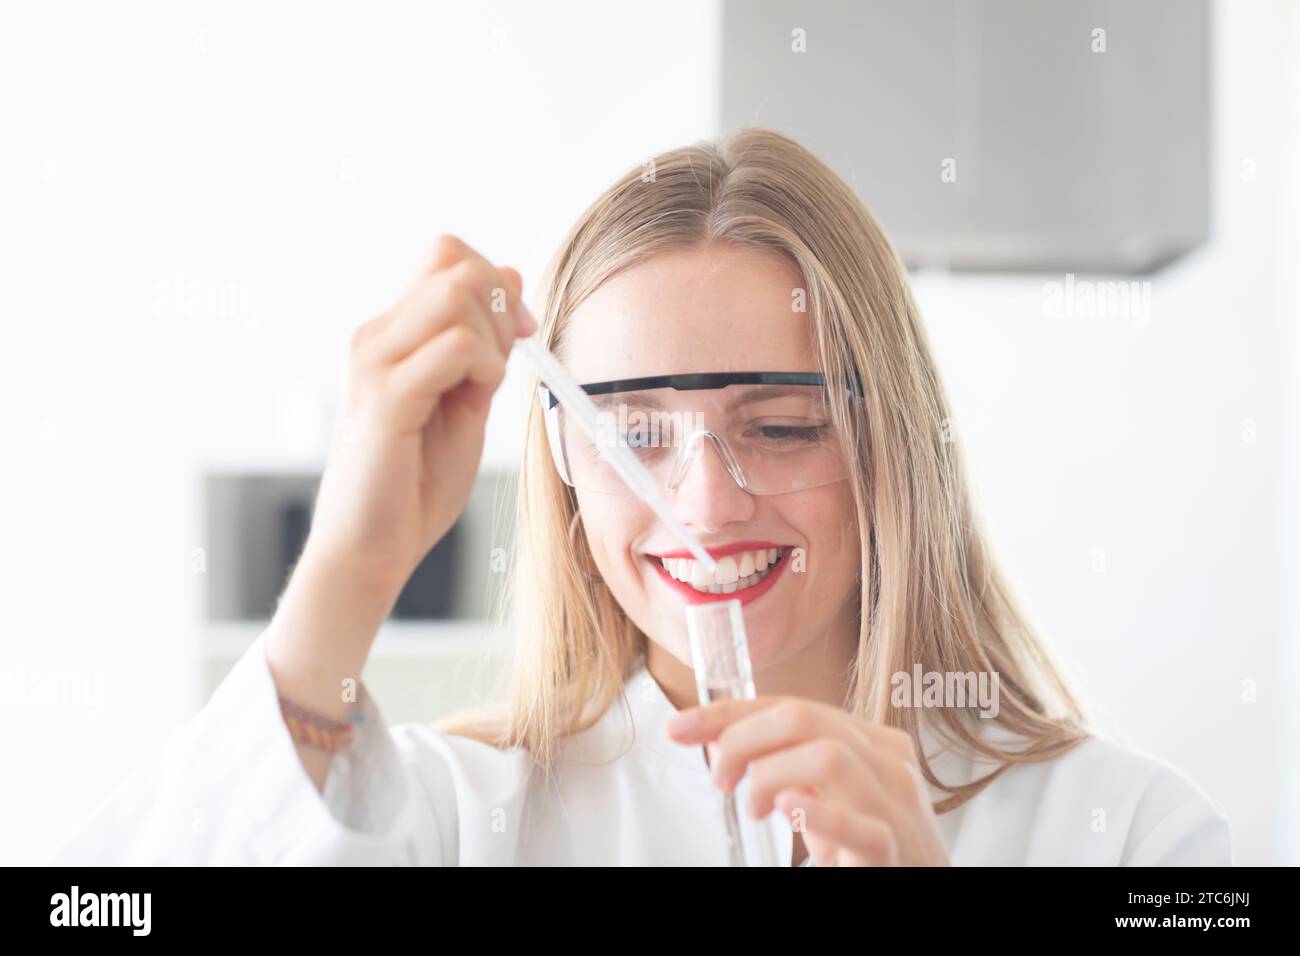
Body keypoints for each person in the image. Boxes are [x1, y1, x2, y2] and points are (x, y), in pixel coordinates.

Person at [49, 128, 1230, 866]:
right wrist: (347, 573)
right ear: (559, 456)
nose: (704, 503)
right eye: (631, 436)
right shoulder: (454, 820)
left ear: (894, 444)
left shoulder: (1130, 834)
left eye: (779, 426)